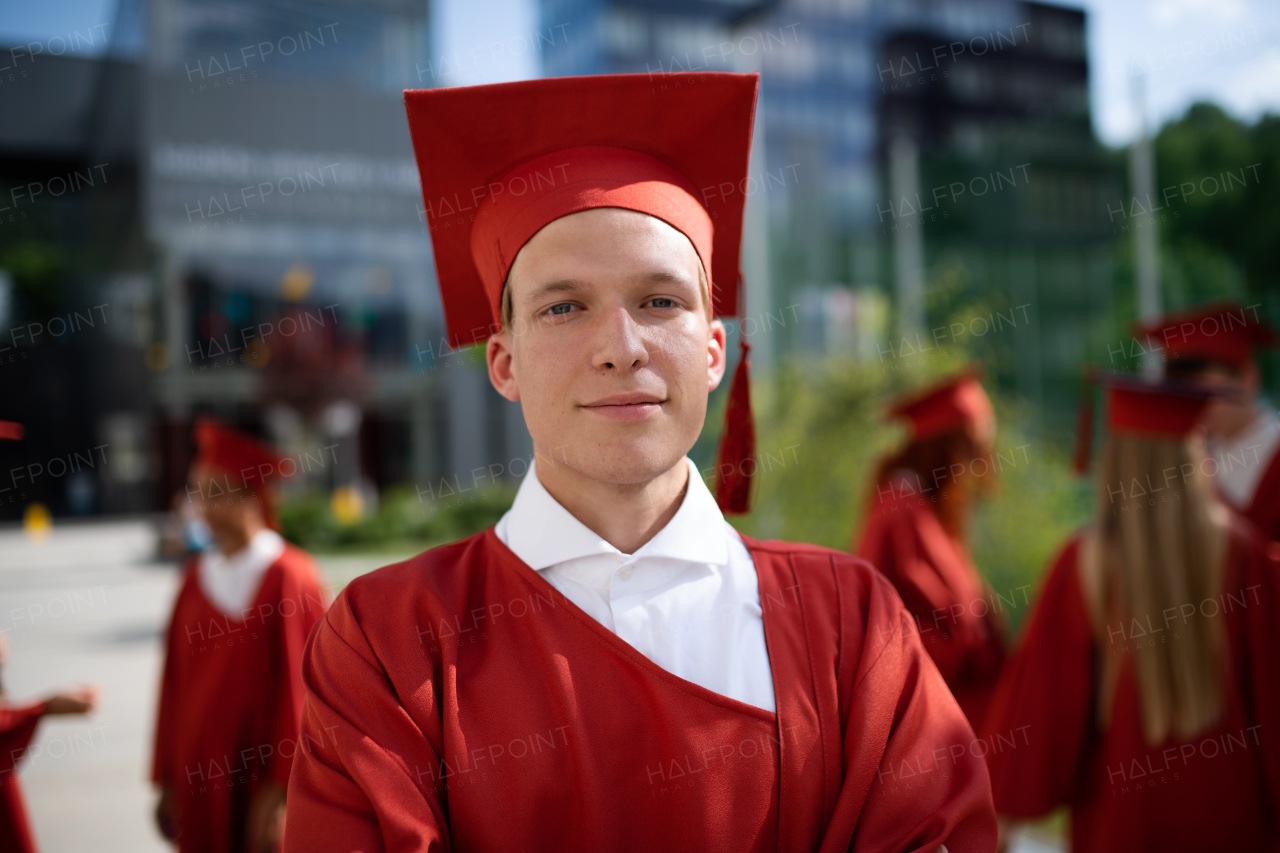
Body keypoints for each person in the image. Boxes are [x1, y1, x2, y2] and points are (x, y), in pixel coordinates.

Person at [282, 72, 996, 852]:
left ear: (715, 349)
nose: (621, 348)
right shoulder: (385, 643)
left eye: (660, 301)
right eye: (564, 306)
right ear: (503, 362)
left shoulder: (852, 624)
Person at [982, 373, 1280, 851]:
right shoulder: (1249, 558)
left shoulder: (1083, 564)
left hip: (1122, 827)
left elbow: (1042, 721)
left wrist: (1003, 816)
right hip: (1235, 827)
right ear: (1194, 456)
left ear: (1114, 461)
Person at [152, 418, 326, 853]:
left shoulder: (289, 575)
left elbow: (303, 690)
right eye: (197, 493)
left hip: (261, 776)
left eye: (216, 493)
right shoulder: (194, 581)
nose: (202, 507)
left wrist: (284, 786)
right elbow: (173, 685)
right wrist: (169, 777)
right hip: (199, 773)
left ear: (251, 497)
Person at [854, 371, 1007, 729]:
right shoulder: (901, 513)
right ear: (949, 454)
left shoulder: (918, 509)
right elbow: (905, 629)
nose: (972, 475)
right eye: (971, 457)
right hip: (932, 721)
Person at [1135, 301, 1280, 539]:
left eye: (1206, 392)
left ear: (1247, 378)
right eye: (1185, 396)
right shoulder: (1198, 458)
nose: (1197, 408)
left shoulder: (1275, 454)